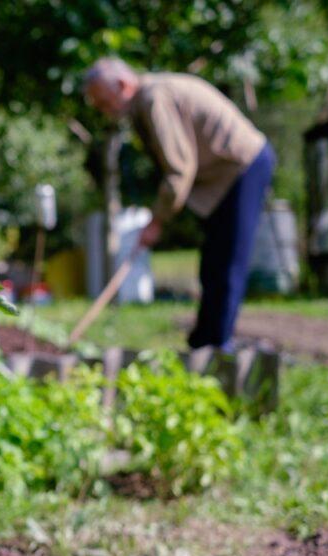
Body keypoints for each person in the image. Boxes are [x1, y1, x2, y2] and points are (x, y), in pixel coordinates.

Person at [83, 57, 276, 350]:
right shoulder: (145, 100)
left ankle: (217, 347)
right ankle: (204, 341)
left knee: (226, 263)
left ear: (122, 85)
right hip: (221, 176)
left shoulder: (153, 98)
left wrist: (157, 221)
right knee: (214, 260)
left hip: (241, 167)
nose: (103, 110)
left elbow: (179, 168)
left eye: (103, 102)